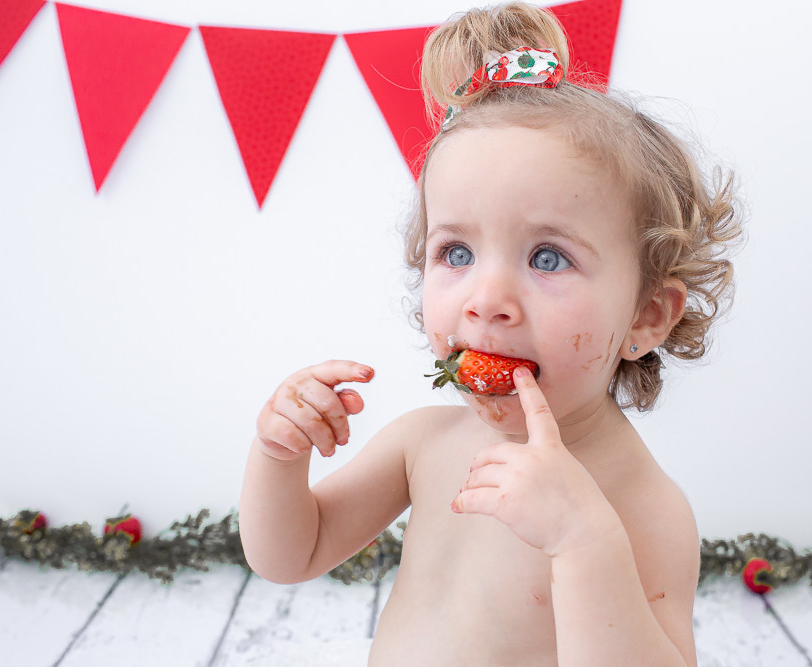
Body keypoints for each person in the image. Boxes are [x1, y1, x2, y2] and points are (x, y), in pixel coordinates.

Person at [239, 3, 744, 664]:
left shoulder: (640, 505)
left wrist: (584, 541)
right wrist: (279, 455)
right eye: (456, 253)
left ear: (647, 316)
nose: (487, 300)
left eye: (548, 258)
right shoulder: (423, 444)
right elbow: (289, 554)